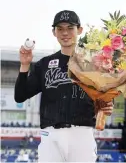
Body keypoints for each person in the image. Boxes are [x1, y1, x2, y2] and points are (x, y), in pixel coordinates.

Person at [14, 10, 114, 162]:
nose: (65, 33)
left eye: (70, 28)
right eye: (60, 29)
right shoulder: (45, 64)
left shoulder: (94, 63)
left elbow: (104, 97)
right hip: (51, 134)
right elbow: (20, 96)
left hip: (82, 134)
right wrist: (24, 65)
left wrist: (108, 104)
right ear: (54, 32)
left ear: (79, 30)